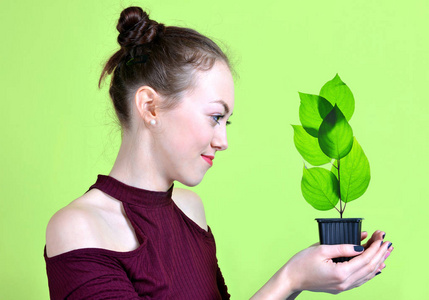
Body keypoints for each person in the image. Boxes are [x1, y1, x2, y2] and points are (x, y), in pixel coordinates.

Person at [44, 6, 393, 300]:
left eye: (227, 121)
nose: (223, 140)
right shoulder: (77, 228)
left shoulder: (191, 210)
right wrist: (290, 279)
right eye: (214, 117)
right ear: (149, 107)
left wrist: (306, 278)